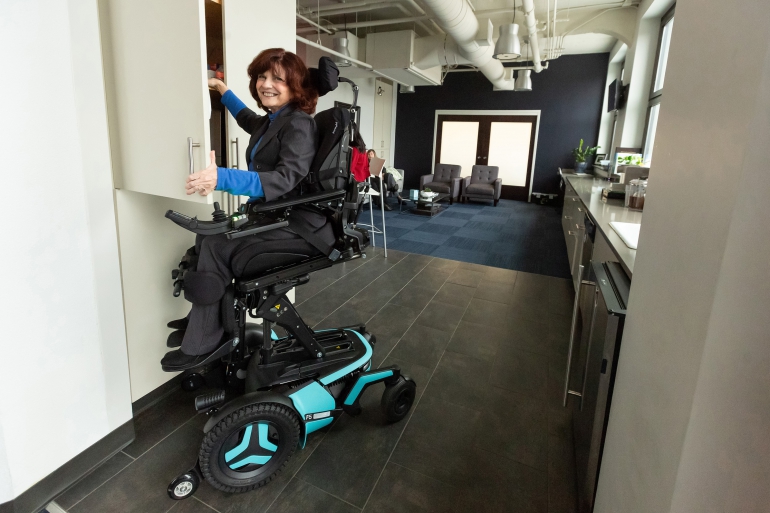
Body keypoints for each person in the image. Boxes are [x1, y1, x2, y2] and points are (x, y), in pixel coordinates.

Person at [162, 48, 332, 371]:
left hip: (298, 226)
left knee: (215, 244)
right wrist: (223, 91)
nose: (265, 84)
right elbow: (247, 119)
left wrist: (220, 178)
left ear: (295, 87)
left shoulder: (298, 125)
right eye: (261, 77)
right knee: (206, 239)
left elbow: (283, 180)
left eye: (276, 79)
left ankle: (202, 342)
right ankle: (201, 322)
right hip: (275, 216)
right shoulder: (275, 120)